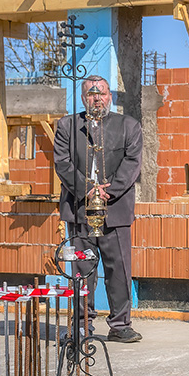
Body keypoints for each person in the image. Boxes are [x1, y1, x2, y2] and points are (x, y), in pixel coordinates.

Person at [53, 75, 143, 344]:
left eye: (101, 93)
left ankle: (120, 324)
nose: (96, 98)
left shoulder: (128, 125)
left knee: (119, 269)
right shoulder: (68, 126)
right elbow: (62, 163)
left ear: (110, 96)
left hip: (115, 210)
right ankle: (81, 326)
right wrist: (86, 189)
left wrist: (108, 190)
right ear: (83, 97)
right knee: (81, 269)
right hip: (80, 210)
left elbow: (132, 163)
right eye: (91, 94)